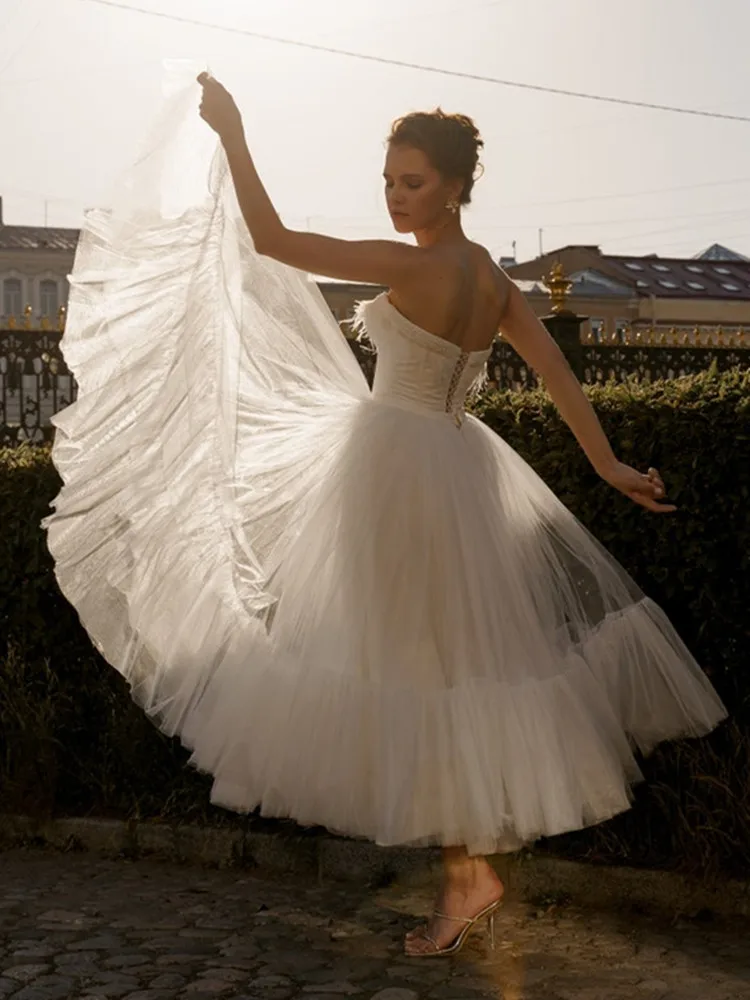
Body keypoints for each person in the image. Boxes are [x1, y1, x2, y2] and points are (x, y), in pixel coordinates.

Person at [42, 68, 726, 960]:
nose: (399, 198)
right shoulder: (495, 280)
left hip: (398, 472)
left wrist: (236, 136)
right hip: (460, 469)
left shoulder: (415, 263)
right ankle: (466, 871)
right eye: (390, 182)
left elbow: (273, 238)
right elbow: (559, 379)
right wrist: (608, 466)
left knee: (414, 670)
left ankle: (465, 878)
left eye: (414, 183)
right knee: (443, 672)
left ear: (455, 186)